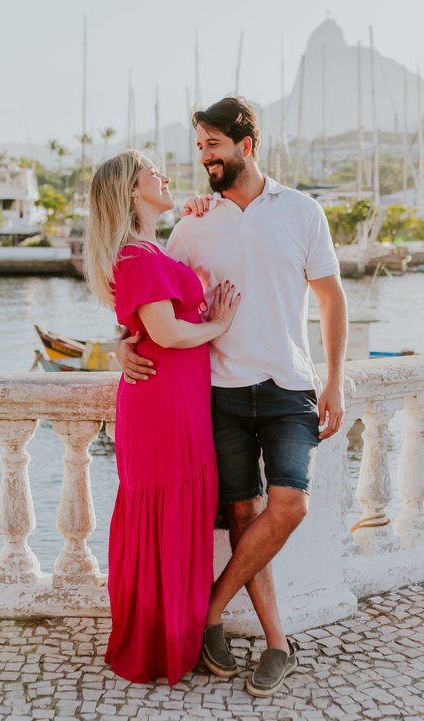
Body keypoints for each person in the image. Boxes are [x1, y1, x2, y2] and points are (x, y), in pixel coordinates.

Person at [115, 95, 348, 697]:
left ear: (247, 145)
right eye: (199, 147)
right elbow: (149, 295)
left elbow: (330, 300)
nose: (204, 157)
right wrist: (120, 343)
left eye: (212, 145)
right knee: (243, 514)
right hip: (218, 392)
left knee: (290, 504)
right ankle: (277, 644)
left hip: (289, 384)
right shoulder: (191, 223)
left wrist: (335, 378)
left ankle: (210, 610)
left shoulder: (301, 212)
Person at [83, 149, 241, 685]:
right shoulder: (137, 256)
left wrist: (201, 207)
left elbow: (147, 328)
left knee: (180, 514)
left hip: (181, 398)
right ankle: (156, 644)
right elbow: (168, 334)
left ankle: (176, 636)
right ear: (132, 190)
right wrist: (218, 327)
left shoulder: (151, 248)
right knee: (162, 516)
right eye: (154, 172)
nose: (166, 175)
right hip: (161, 404)